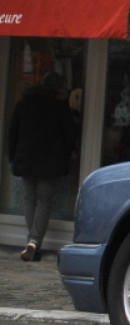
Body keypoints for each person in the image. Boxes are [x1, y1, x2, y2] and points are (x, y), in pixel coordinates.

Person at [7, 72, 78, 262]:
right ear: (57, 88)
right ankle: (34, 241)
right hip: (50, 160)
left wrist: (12, 156)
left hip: (26, 157)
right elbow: (69, 133)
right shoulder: (58, 106)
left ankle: (31, 242)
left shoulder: (23, 103)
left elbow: (13, 132)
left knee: (29, 199)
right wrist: (72, 151)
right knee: (44, 200)